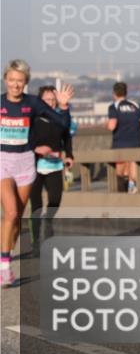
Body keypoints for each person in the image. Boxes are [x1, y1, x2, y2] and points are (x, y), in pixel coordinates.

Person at [2, 60, 73, 287]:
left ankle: (6, 250)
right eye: (11, 80)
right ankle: (4, 267)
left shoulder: (32, 103)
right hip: (3, 163)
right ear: (5, 80)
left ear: (25, 83)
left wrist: (63, 107)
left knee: (17, 219)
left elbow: (62, 124)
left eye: (19, 81)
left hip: (25, 164)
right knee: (11, 213)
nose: (15, 85)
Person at [28, 86, 74, 255]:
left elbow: (67, 136)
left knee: (55, 201)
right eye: (48, 99)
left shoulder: (60, 118)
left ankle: (48, 226)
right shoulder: (33, 118)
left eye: (53, 99)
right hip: (34, 166)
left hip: (55, 165)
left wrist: (69, 155)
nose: (51, 102)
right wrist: (36, 148)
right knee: (36, 206)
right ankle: (36, 243)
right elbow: (24, 139)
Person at [107, 82, 140, 194]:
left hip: (120, 145)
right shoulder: (136, 105)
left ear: (114, 93)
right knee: (134, 170)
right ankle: (133, 187)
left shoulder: (114, 107)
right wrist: (135, 127)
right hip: (137, 143)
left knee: (119, 174)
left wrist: (107, 124)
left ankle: (122, 193)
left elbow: (112, 126)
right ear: (126, 92)